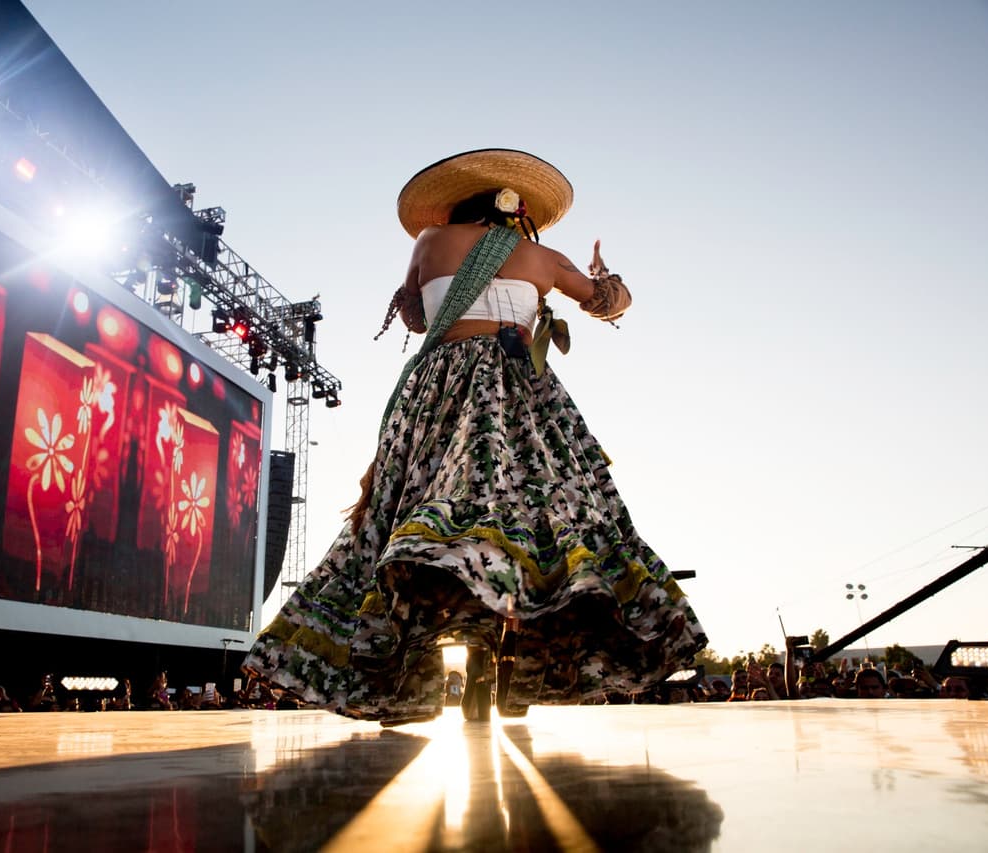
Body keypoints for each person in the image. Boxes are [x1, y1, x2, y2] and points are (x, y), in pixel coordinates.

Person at [240, 148, 707, 725]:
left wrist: (449, 291)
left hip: (441, 391)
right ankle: (508, 668)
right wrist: (605, 277)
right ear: (517, 212)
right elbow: (608, 305)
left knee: (419, 510)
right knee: (535, 522)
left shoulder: (429, 241)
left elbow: (416, 317)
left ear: (459, 205)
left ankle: (417, 666)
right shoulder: (544, 257)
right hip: (521, 395)